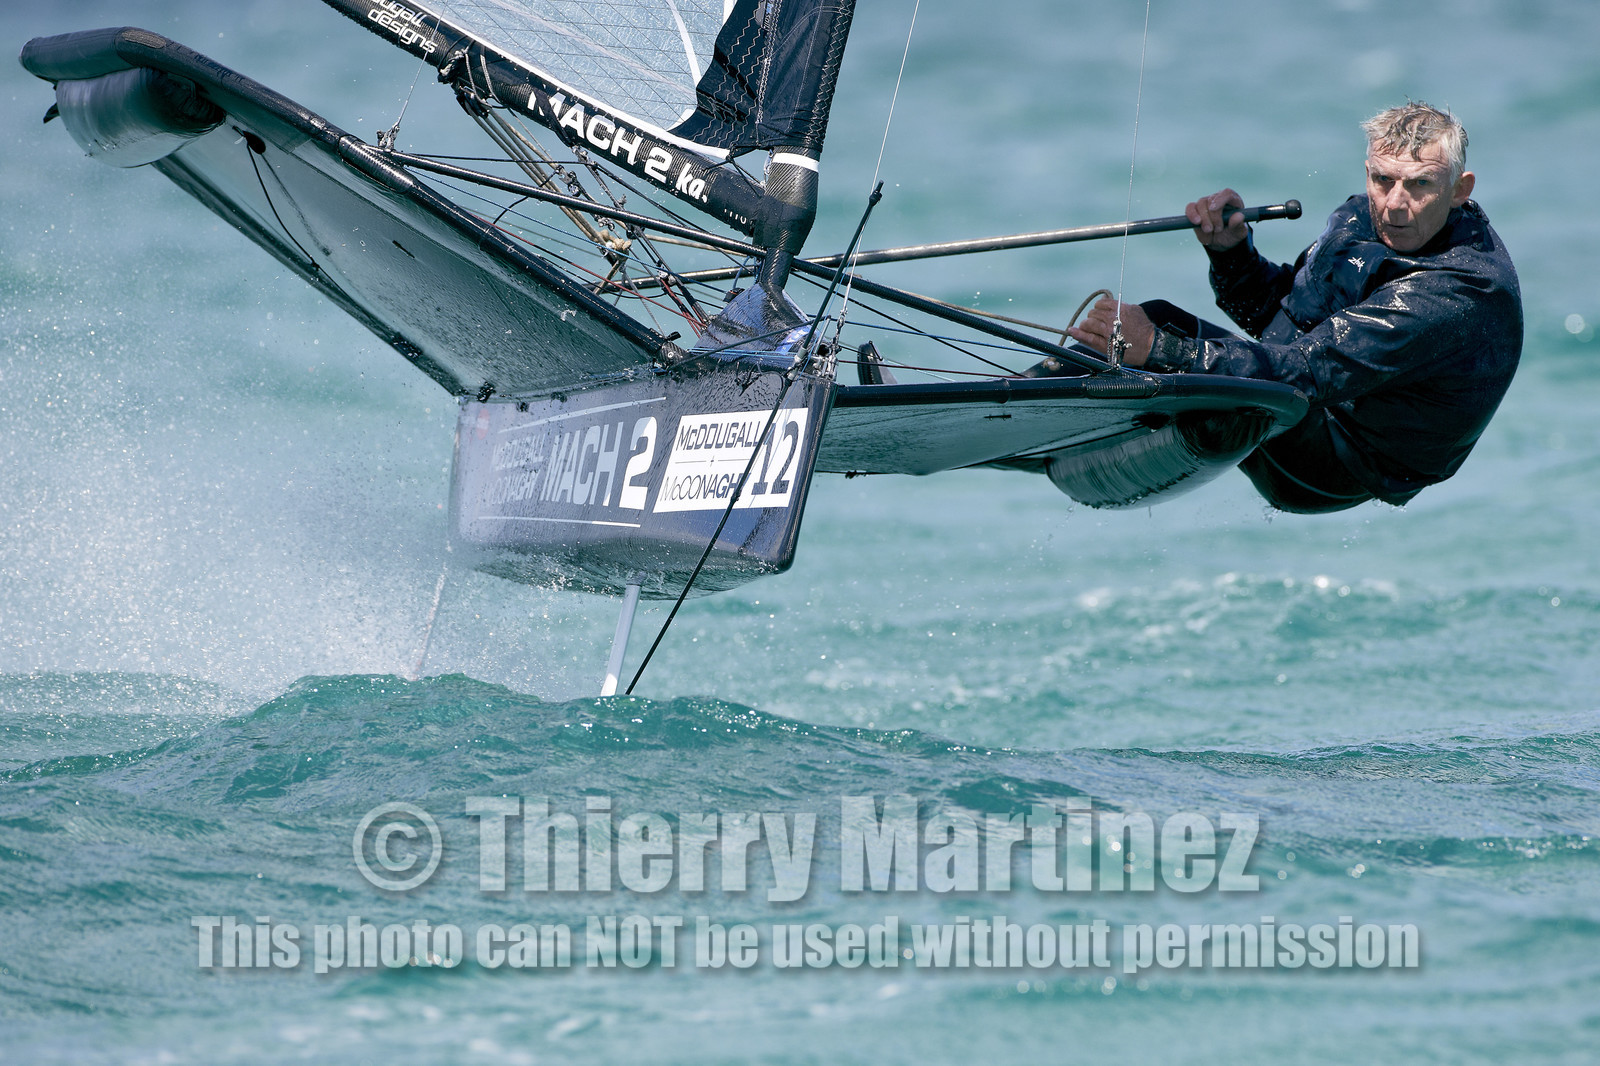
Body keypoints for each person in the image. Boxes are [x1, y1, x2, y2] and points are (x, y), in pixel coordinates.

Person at [1064, 102, 1523, 513]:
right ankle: (1020, 406)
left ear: (1460, 190)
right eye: (1383, 179)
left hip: (1339, 466)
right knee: (1161, 319)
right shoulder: (1365, 220)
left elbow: (1308, 368)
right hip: (1307, 402)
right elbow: (1282, 320)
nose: (1396, 206)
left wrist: (1162, 349)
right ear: (1368, 171)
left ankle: (1067, 436)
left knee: (1180, 360)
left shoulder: (1460, 290)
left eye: (1421, 184)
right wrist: (1232, 253)